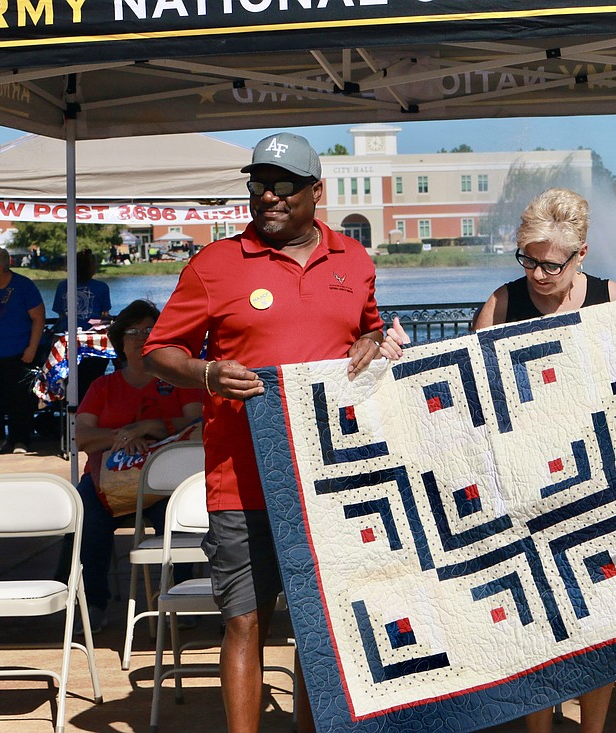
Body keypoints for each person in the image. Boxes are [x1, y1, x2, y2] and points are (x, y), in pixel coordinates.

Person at [399, 188, 616, 733]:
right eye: (526, 259)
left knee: (599, 618)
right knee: (538, 622)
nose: (536, 273)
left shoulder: (608, 297)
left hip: (595, 483)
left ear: (581, 255)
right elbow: (468, 395)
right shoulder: (502, 305)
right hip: (523, 490)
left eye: (549, 264)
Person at [144, 132, 393, 733]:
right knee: (244, 620)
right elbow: (157, 351)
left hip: (330, 479)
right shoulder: (214, 265)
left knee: (322, 623)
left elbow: (373, 329)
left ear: (315, 192)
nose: (269, 198)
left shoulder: (355, 261)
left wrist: (373, 338)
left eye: (283, 186)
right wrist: (205, 372)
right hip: (242, 477)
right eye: (259, 185)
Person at [64, 299, 202, 632]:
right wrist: (124, 435)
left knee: (181, 519)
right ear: (120, 342)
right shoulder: (102, 387)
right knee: (86, 520)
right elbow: (81, 437)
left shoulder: (179, 383)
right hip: (104, 484)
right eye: (133, 331)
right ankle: (93, 604)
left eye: (150, 330)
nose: (141, 337)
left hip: (163, 486)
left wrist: (153, 426)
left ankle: (178, 598)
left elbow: (196, 424)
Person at [0, 245, 45, 455]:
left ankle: (20, 441)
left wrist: (32, 348)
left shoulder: (24, 286)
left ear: (0, 268)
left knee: (20, 400)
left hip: (20, 353)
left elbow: (38, 318)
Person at [53, 249, 113, 401]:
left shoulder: (62, 286)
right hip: (93, 343)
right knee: (93, 380)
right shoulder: (101, 287)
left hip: (67, 341)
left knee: (71, 382)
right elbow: (105, 315)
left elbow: (60, 315)